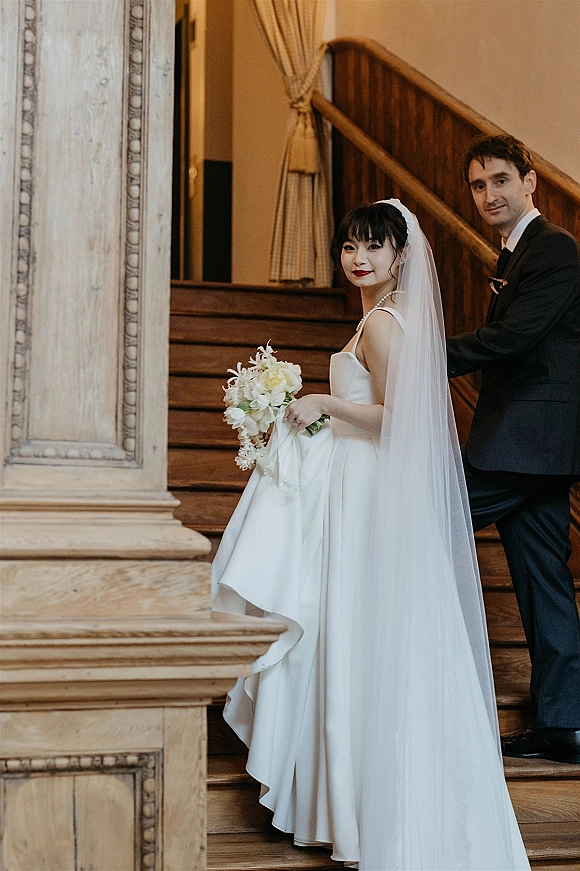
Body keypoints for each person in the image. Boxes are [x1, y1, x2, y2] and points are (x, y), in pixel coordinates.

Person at [213, 199, 530, 869]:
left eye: (373, 248)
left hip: (368, 486)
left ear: (400, 256)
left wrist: (323, 404)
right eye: (350, 246)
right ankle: (346, 808)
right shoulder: (381, 320)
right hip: (356, 482)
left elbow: (397, 420)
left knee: (358, 633)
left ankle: (363, 813)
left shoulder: (384, 327)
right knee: (350, 635)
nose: (358, 257)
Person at [446, 135, 580, 765]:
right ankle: (565, 724)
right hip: (536, 446)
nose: (489, 195)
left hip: (524, 443)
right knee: (543, 581)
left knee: (425, 513)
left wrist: (427, 357)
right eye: (478, 185)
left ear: (531, 182)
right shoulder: (514, 252)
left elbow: (515, 339)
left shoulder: (553, 249)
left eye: (501, 180)